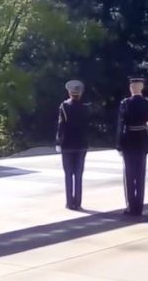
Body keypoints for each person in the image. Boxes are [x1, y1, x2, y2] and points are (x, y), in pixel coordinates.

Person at [116, 75, 148, 216]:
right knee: (140, 175)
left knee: (129, 175)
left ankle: (131, 206)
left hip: (129, 141)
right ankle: (139, 207)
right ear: (142, 87)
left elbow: (121, 125)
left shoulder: (125, 103)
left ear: (131, 87)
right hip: (142, 140)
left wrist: (119, 145)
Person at [55, 79, 90, 210]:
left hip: (67, 144)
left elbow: (61, 125)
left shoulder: (64, 106)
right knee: (79, 174)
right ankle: (78, 202)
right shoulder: (86, 107)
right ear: (80, 93)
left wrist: (58, 142)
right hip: (81, 144)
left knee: (68, 174)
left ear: (69, 93)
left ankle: (70, 202)